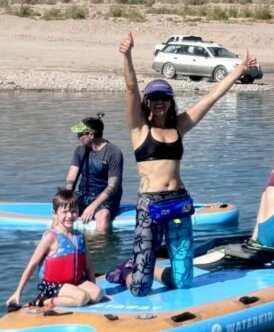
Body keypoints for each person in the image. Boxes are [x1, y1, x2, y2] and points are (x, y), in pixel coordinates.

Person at [109, 31, 258, 296]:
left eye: (164, 99)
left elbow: (210, 98)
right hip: (150, 204)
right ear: (147, 103)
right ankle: (129, 272)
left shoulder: (180, 126)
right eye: (154, 99)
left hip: (179, 202)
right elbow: (131, 88)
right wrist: (127, 55)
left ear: (170, 102)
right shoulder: (139, 129)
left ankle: (154, 269)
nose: (159, 103)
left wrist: (238, 70)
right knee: (140, 289)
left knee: (183, 281)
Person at [6, 188, 104, 311]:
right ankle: (46, 301)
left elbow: (88, 267)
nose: (69, 216)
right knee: (82, 297)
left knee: (97, 293)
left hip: (76, 283)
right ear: (55, 213)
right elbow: (32, 265)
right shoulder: (50, 237)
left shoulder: (80, 237)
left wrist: (92, 289)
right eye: (65, 212)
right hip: (54, 286)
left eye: (73, 211)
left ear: (79, 211)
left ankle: (74, 296)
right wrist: (18, 293)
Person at [65, 114, 124, 233]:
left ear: (90, 135)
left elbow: (113, 187)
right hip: (83, 195)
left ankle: (98, 249)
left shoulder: (113, 152)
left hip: (105, 199)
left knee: (103, 216)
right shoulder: (80, 150)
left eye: (80, 134)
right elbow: (71, 178)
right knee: (61, 212)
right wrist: (66, 200)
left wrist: (93, 206)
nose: (78, 137)